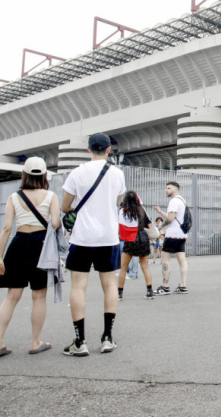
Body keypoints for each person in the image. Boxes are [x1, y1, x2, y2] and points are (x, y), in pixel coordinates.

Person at [61, 133, 126, 356]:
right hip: (108, 237)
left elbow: (65, 206)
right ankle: (107, 338)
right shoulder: (117, 174)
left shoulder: (76, 173)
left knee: (78, 286)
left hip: (81, 237)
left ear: (88, 149)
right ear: (109, 150)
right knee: (109, 285)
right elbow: (118, 203)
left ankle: (80, 342)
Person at [0, 157, 62, 356]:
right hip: (41, 248)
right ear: (44, 175)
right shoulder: (51, 196)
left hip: (18, 245)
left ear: (24, 175)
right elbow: (55, 223)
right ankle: (35, 342)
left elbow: (7, 228)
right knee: (39, 296)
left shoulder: (14, 197)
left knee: (11, 297)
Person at [153, 182, 189, 296]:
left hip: (172, 235)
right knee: (182, 261)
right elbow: (172, 217)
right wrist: (160, 212)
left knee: (165, 260)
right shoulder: (182, 200)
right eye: (166, 188)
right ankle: (183, 286)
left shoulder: (174, 201)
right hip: (182, 235)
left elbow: (170, 219)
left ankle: (165, 286)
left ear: (176, 189)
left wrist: (160, 226)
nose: (166, 190)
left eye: (169, 188)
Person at [117, 191, 154, 301]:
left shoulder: (124, 211)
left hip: (130, 239)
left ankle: (119, 294)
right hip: (143, 239)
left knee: (123, 268)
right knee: (145, 267)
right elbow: (150, 225)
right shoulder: (142, 210)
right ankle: (149, 292)